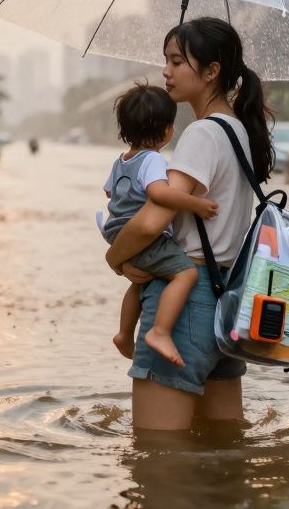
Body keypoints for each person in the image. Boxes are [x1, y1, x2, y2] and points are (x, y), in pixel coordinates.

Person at [105, 17, 275, 432]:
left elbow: (150, 222)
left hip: (184, 305)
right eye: (166, 60)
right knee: (223, 444)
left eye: (177, 61)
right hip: (228, 301)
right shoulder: (239, 131)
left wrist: (115, 259)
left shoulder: (201, 134)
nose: (166, 71)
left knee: (158, 459)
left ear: (211, 71)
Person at [101, 82, 219, 367]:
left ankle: (124, 333)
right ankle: (160, 331)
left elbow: (109, 192)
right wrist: (196, 204)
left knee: (141, 282)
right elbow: (159, 194)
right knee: (186, 275)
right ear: (168, 130)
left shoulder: (122, 160)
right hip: (142, 235)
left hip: (117, 232)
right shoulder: (153, 159)